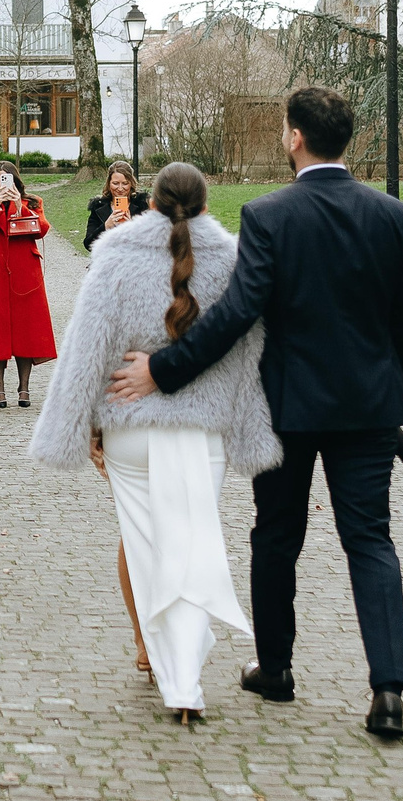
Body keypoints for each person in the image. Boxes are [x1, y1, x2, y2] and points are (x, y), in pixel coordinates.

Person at [107, 86, 403, 741]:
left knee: (276, 536)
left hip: (287, 404)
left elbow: (235, 314)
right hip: (368, 409)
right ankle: (388, 689)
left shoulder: (270, 215)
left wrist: (163, 369)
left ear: (294, 138)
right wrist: (390, 386)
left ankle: (276, 668)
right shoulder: (393, 215)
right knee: (371, 540)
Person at [33, 161, 275, 722]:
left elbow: (87, 347)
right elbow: (248, 353)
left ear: (149, 203)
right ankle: (185, 680)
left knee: (145, 550)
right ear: (207, 205)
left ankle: (171, 674)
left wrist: (82, 422)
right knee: (190, 546)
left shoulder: (115, 255)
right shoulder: (235, 259)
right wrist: (246, 424)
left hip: (129, 426)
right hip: (202, 430)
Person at [0, 160, 58, 407]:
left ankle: (24, 387)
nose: (3, 183)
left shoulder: (33, 202)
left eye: (7, 178)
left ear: (16, 180)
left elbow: (41, 229)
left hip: (25, 271)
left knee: (26, 327)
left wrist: (20, 206)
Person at [83, 159, 153, 250]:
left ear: (131, 184)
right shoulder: (99, 207)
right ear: (109, 184)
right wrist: (106, 226)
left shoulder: (143, 206)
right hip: (107, 259)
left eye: (125, 183)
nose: (120, 188)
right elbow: (88, 245)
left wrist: (131, 227)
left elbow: (151, 243)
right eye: (115, 183)